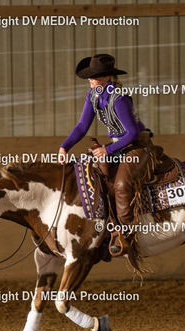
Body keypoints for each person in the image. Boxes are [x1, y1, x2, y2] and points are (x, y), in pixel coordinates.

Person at [59, 54, 157, 257]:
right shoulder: (93, 95)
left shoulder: (119, 98)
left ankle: (126, 233)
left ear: (106, 77)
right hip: (118, 145)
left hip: (137, 145)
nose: (90, 79)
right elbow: (82, 126)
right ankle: (104, 228)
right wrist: (64, 147)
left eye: (94, 76)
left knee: (120, 184)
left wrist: (107, 150)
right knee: (94, 178)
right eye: (90, 76)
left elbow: (133, 133)